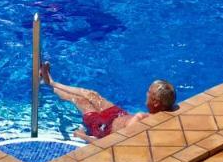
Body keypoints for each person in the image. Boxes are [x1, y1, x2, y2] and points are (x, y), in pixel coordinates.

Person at [40, 61, 176, 142]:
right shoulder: (164, 114)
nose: (146, 93)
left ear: (156, 103)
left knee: (80, 100)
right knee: (93, 94)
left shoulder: (140, 121)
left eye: (149, 92)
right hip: (118, 114)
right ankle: (52, 82)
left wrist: (82, 136)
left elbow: (110, 144)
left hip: (103, 127)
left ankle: (48, 84)